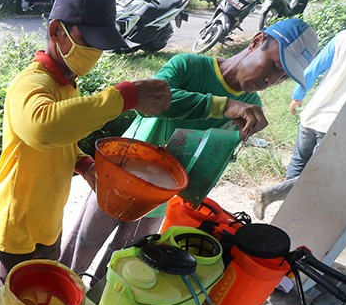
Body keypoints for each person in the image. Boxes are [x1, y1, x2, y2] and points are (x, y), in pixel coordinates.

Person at [59, 18, 318, 278]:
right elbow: (151, 98)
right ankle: (60, 292)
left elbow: (210, 156)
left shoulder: (251, 102)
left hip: (160, 195)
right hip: (123, 174)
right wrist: (222, 105)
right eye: (273, 65)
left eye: (283, 77)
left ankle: (98, 302)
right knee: (84, 242)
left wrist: (234, 140)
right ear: (256, 41)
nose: (271, 80)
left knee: (126, 258)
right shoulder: (189, 65)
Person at [0, 0, 172, 290]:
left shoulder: (67, 84)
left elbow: (61, 140)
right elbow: (44, 129)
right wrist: (125, 96)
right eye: (89, 41)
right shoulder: (31, 83)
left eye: (100, 45)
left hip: (47, 223)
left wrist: (84, 164)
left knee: (39, 296)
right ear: (56, 31)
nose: (94, 52)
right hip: (15, 228)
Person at [253, 27, 346, 220]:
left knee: (299, 161)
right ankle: (272, 195)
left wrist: (297, 96)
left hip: (313, 113)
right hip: (338, 125)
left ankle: (285, 211)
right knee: (320, 174)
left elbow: (313, 68)